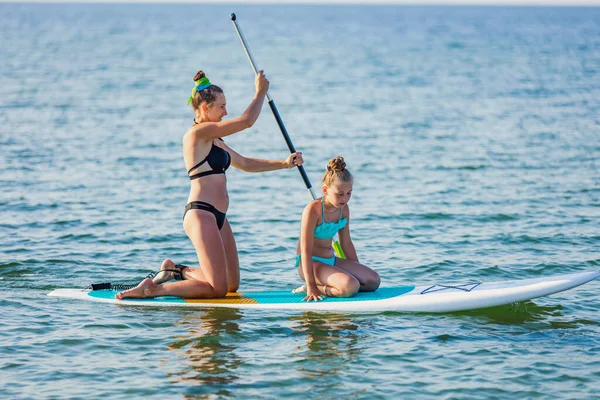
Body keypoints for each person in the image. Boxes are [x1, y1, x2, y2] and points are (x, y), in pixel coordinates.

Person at [117, 70, 303, 300]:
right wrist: (260, 92)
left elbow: (244, 163)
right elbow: (246, 121)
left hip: (219, 217)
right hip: (201, 213)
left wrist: (284, 164)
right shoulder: (198, 133)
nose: (226, 112)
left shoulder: (215, 139)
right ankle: (152, 289)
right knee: (218, 289)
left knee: (231, 285)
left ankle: (175, 271)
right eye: (221, 107)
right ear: (205, 108)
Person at [294, 156, 380, 302]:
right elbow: (305, 250)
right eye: (340, 194)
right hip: (310, 263)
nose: (344, 199)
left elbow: (346, 243)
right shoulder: (312, 210)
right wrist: (311, 285)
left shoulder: (344, 210)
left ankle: (340, 282)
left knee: (373, 281)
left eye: (349, 193)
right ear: (325, 190)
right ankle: (315, 287)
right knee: (350, 287)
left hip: (331, 260)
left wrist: (357, 271)